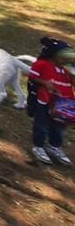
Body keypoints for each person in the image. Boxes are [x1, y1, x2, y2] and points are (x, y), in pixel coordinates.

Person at [28, 37, 75, 165]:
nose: (66, 59)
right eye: (63, 56)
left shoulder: (67, 69)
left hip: (64, 104)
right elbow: (32, 77)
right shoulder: (42, 64)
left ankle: (54, 147)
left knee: (59, 127)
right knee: (42, 125)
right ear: (53, 55)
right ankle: (38, 146)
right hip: (45, 101)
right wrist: (45, 83)